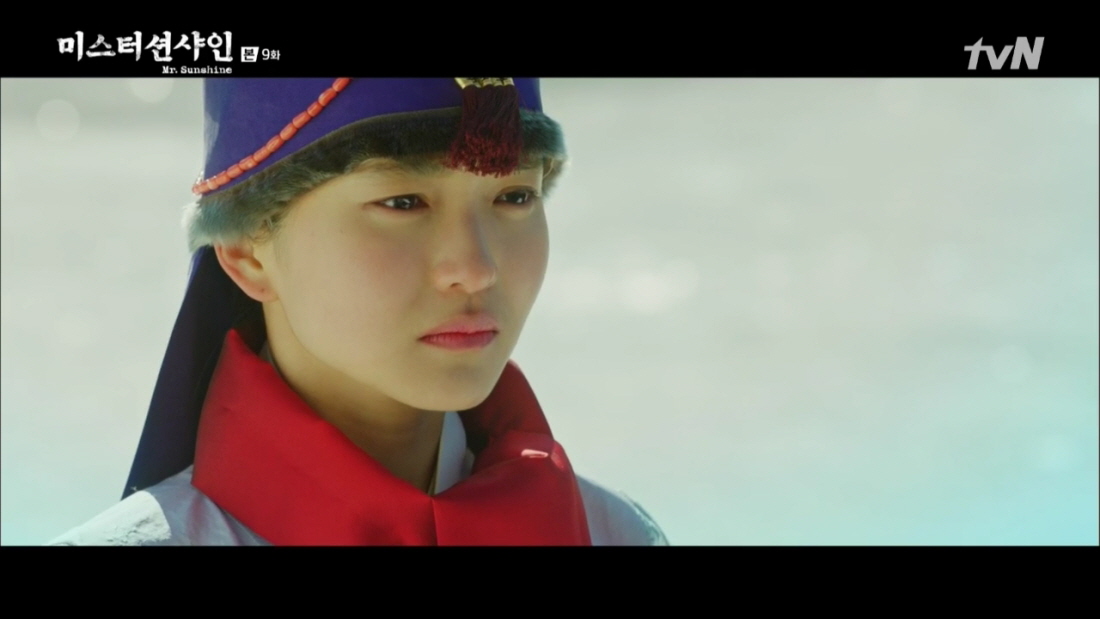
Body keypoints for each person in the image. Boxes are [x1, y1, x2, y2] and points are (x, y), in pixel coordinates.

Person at [49, 77, 668, 545]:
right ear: (246, 251)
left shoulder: (614, 533)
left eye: (514, 195)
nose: (476, 268)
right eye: (403, 202)